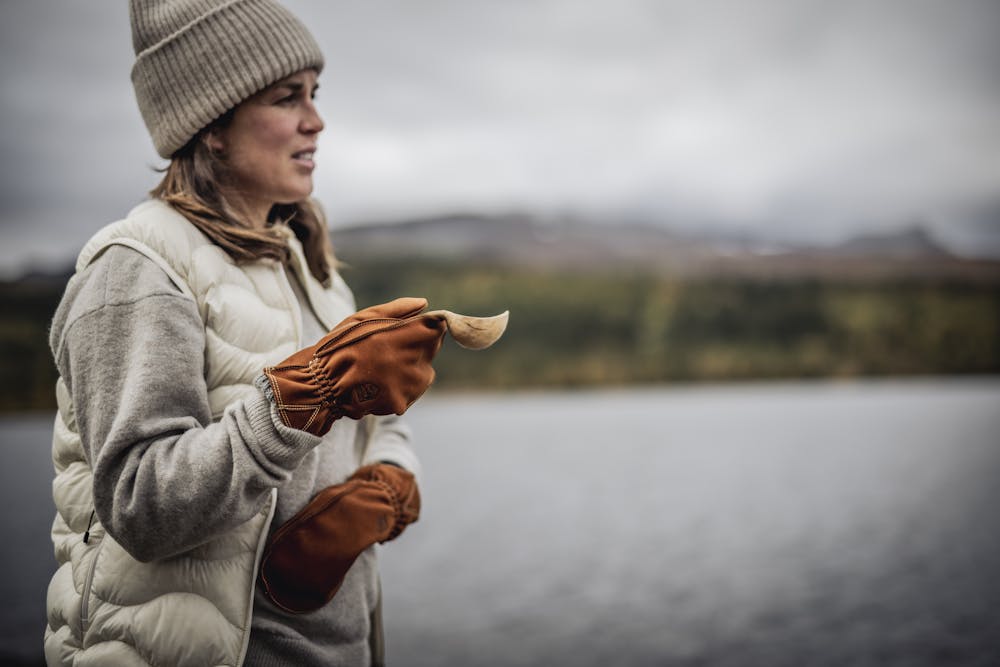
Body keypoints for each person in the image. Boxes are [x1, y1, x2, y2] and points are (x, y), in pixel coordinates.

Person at [43, 1, 446, 665]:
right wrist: (298, 400)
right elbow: (141, 503)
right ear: (212, 125)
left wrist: (389, 486)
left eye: (315, 94)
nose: (316, 120)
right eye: (288, 97)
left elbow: (381, 422)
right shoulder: (137, 268)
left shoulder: (311, 270)